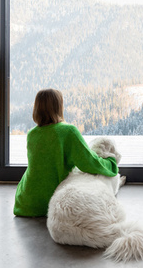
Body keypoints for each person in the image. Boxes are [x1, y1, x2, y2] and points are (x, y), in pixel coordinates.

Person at [13, 88, 118, 217]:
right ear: (58, 107)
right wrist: (110, 163)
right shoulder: (68, 131)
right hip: (52, 201)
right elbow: (89, 163)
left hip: (25, 202)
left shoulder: (32, 134)